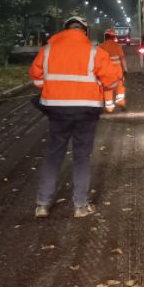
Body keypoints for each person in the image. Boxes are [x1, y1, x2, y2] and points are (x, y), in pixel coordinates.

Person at [29, 16, 122, 218]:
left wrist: (53, 88)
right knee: (81, 157)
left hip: (57, 111)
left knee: (53, 156)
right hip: (86, 111)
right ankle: (80, 206)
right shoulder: (95, 52)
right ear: (85, 32)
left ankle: (42, 205)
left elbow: (36, 78)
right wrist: (99, 86)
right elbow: (112, 81)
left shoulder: (47, 50)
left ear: (64, 30)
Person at [98, 29, 127, 110]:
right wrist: (125, 69)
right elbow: (122, 58)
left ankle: (109, 107)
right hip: (117, 71)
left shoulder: (100, 47)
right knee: (120, 86)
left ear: (105, 37)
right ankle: (120, 102)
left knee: (107, 88)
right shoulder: (117, 46)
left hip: (106, 71)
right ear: (114, 37)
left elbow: (98, 60)